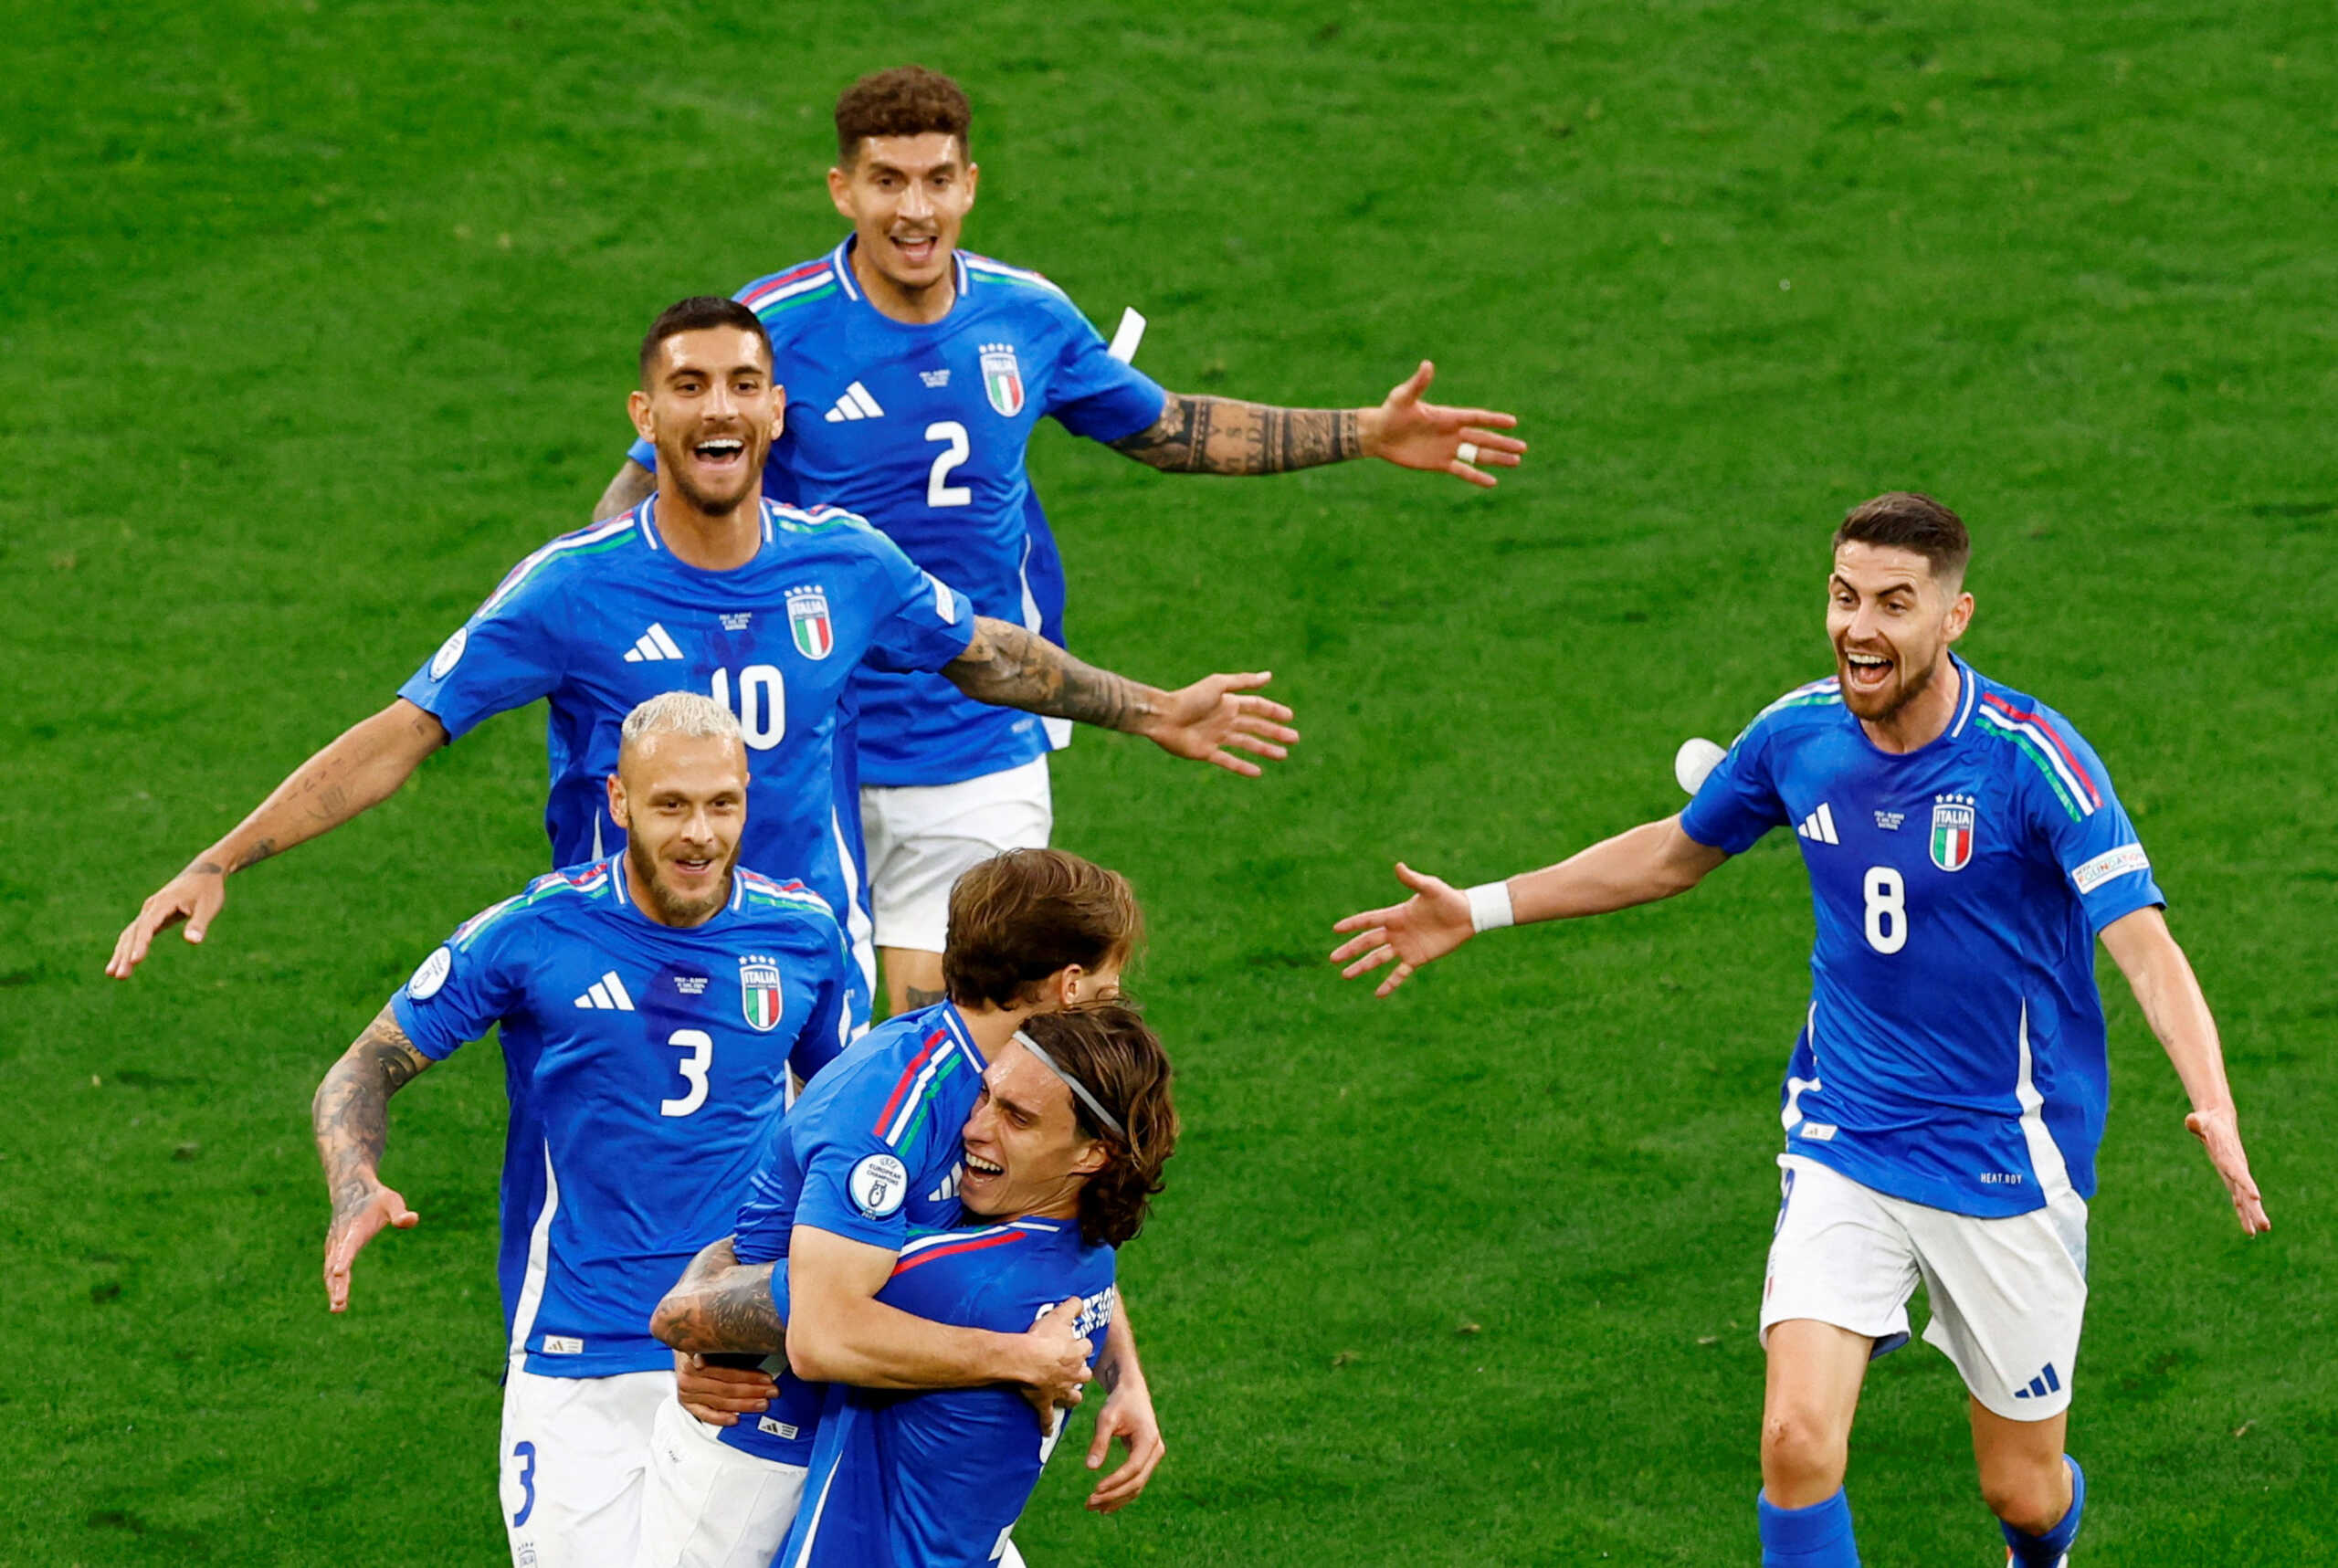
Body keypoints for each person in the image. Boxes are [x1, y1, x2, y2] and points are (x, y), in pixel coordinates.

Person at [1328, 492, 2270, 1568]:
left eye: (1892, 603)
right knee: (1794, 1440)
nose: (1858, 627)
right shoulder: (1797, 733)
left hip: (2009, 1161)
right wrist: (1482, 906)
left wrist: (2213, 1100)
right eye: (1843, 596)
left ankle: (2042, 1544)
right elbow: (1674, 853)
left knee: (2018, 1485)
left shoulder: (2029, 761)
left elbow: (2143, 945)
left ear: (1954, 618)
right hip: (1846, 1137)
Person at [109, 296, 1299, 1047]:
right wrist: (225, 855)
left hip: (812, 960)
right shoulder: (570, 588)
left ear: (777, 411)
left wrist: (1151, 713)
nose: (717, 408)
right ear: (649, 414)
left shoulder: (844, 563)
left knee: (844, 1245)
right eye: (688, 387)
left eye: (741, 385)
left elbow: (989, 654)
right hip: (631, 966)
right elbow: (406, 731)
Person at [592, 64, 1522, 1015]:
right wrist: (627, 641)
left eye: (936, 180)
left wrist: (1363, 430)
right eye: (887, 181)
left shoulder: (1024, 315)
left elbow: (1169, 430)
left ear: (970, 184)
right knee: (782, 1029)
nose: (914, 209)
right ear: (843, 189)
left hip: (978, 738)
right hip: (799, 738)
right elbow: (637, 494)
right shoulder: (775, 326)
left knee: (945, 1039)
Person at [307, 693, 921, 1567]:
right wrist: (354, 1180)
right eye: (671, 804)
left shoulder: (804, 937)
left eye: (722, 804)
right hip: (579, 1351)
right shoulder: (535, 933)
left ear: (750, 793)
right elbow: (363, 1066)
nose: (700, 833)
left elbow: (852, 1122)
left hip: (738, 1348)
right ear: (619, 800)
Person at [638, 850, 1159, 1568]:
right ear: (1070, 987)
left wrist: (1119, 1373)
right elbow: (821, 1334)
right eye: (1110, 983)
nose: (1117, 1000)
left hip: (891, 1454)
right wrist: (1018, 1358)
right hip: (760, 1457)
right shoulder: (890, 1106)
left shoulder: (1018, 1094)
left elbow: (1058, 1227)